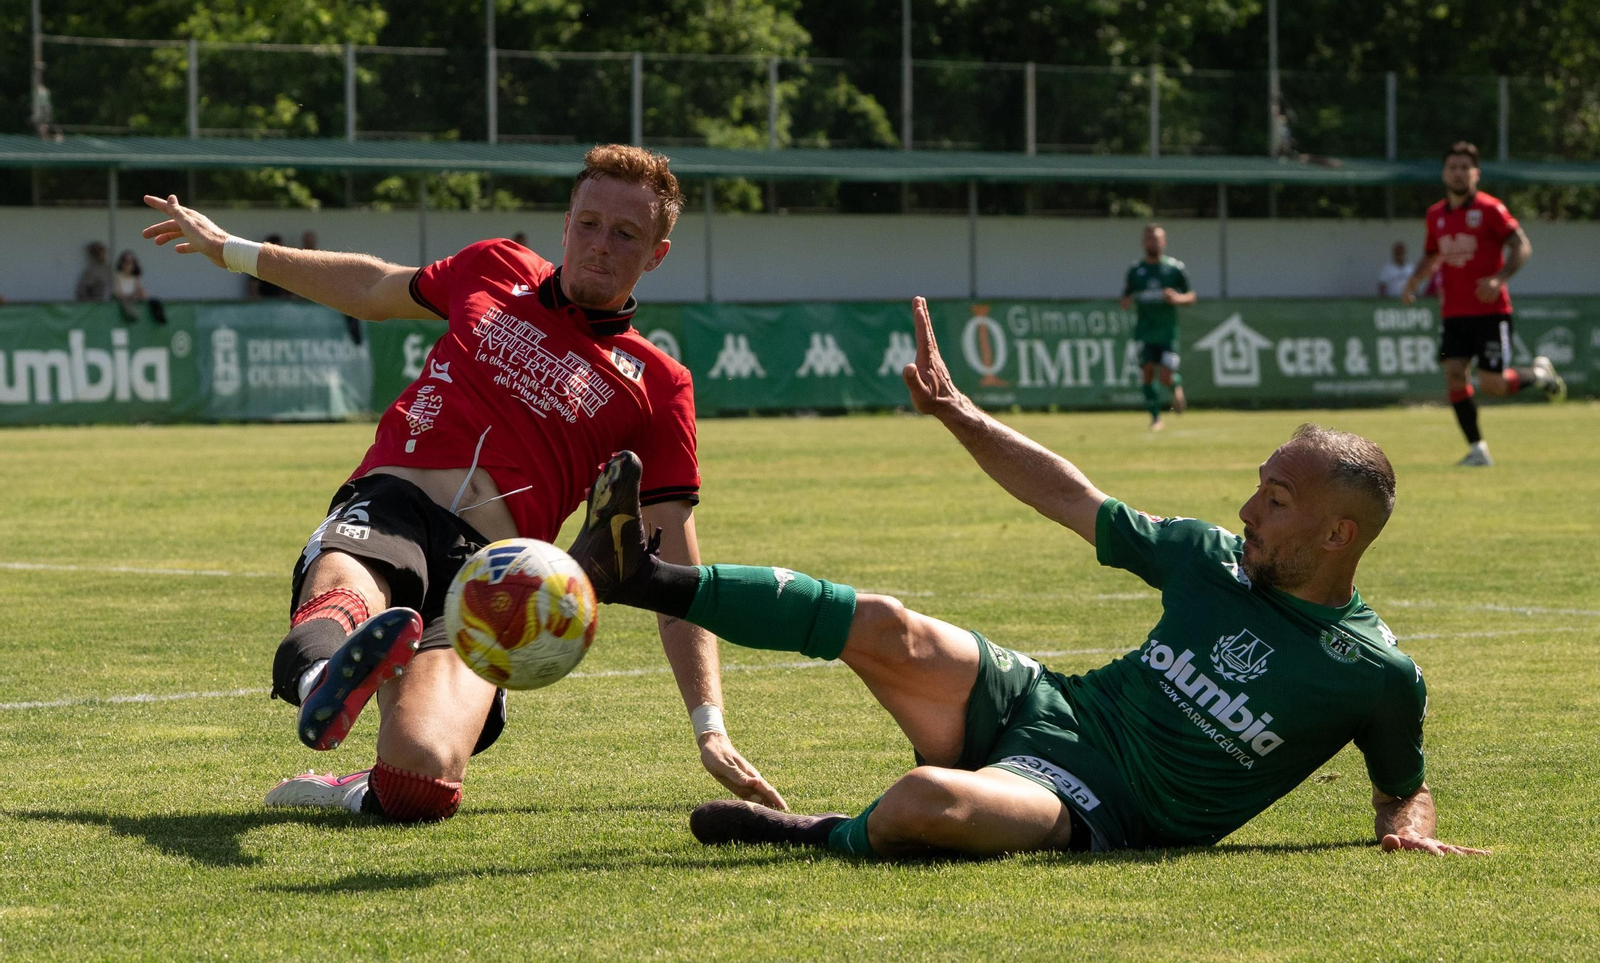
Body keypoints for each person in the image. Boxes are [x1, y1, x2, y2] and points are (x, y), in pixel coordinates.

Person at [569, 297, 1486, 859]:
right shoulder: (1211, 560)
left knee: (928, 803)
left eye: (1276, 501)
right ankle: (637, 575)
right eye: (1257, 487)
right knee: (889, 624)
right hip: (1043, 705)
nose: (1248, 510)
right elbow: (1072, 496)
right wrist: (960, 413)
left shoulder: (1374, 675)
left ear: (1338, 532)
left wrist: (1405, 825)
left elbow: (1401, 783)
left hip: (1093, 806)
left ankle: (817, 833)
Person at [137, 144, 782, 823]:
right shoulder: (493, 266)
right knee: (348, 592)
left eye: (625, 234)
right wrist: (232, 250)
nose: (599, 245)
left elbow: (672, 562)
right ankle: (324, 678)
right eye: (588, 224)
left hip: (495, 581)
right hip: (395, 503)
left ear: (656, 253)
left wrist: (709, 724)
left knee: (421, 779)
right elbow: (372, 287)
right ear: (566, 223)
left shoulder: (657, 385)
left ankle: (350, 784)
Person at [1401, 142, 1565, 467]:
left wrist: (1499, 278)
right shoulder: (1435, 215)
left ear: (1476, 173)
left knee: (1493, 384)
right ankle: (1478, 450)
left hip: (1491, 312)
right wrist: (1415, 281)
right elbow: (1433, 254)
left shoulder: (1491, 209)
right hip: (1454, 314)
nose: (1458, 173)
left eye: (1465, 167)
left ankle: (1539, 373)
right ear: (1444, 173)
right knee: (1454, 376)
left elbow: (1522, 246)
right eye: (1453, 167)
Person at [1119, 224, 1195, 430]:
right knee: (1147, 372)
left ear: (1164, 242)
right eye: (1149, 239)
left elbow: (1191, 296)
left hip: (1167, 333)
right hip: (1144, 332)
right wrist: (1125, 301)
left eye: (1157, 239)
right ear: (1144, 243)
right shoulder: (1136, 270)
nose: (1153, 242)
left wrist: (1177, 298)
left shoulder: (1174, 269)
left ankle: (1175, 386)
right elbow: (1125, 296)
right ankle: (1155, 418)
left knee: (1165, 376)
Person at [113, 250, 167, 325]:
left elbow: (141, 292)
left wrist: (140, 294)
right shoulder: (117, 276)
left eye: (131, 262)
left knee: (155, 302)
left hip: (134, 299)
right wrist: (127, 297)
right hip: (123, 301)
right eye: (126, 262)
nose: (128, 265)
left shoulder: (135, 277)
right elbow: (116, 293)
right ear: (121, 263)